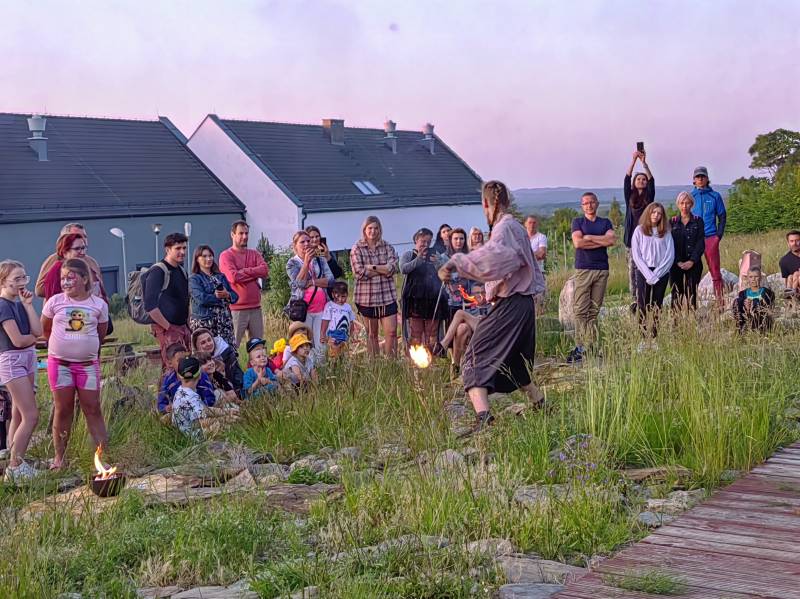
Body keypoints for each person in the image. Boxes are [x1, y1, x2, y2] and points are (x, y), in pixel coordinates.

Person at [438, 181, 546, 432]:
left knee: (474, 355)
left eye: (483, 206)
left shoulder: (504, 228)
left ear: (489, 204)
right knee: (514, 360)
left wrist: (455, 263)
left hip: (512, 304)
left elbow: (494, 259)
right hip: (522, 305)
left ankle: (484, 418)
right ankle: (540, 403)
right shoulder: (515, 227)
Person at [42, 258, 109, 470]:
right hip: (60, 364)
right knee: (63, 409)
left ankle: (101, 457)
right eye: (63, 278)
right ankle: (60, 459)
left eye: (70, 278)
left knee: (93, 408)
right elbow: (46, 328)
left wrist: (85, 347)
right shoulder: (55, 302)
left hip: (87, 366)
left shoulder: (99, 305)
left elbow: (101, 333)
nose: (65, 282)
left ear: (84, 279)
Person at [0, 261, 43, 482]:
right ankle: (15, 467)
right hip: (12, 360)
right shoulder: (3, 306)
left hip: (27, 358)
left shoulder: (18, 304)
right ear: (3, 281)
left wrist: (28, 305)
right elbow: (17, 340)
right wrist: (32, 340)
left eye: (24, 277)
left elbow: (38, 330)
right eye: (16, 279)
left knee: (18, 411)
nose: (22, 282)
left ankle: (15, 456)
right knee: (31, 415)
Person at [568, 192, 616, 363]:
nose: (589, 205)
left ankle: (592, 345)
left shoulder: (605, 222)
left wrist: (589, 237)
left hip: (601, 269)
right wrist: (600, 240)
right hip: (584, 269)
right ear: (582, 206)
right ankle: (580, 346)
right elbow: (578, 243)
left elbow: (611, 241)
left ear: (597, 203)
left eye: (592, 202)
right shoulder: (578, 222)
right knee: (581, 309)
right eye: (585, 203)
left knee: (594, 310)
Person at [350, 216, 400, 356]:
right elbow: (359, 272)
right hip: (367, 298)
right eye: (370, 228)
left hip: (387, 296)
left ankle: (391, 362)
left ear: (380, 230)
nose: (373, 231)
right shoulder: (357, 248)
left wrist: (372, 267)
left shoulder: (387, 247)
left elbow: (392, 269)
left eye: (376, 228)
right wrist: (382, 269)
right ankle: (375, 363)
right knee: (372, 334)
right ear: (364, 230)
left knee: (391, 332)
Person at [145, 232, 192, 370]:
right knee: (172, 367)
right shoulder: (158, 271)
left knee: (184, 367)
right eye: (178, 248)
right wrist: (169, 328)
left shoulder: (182, 271)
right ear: (167, 249)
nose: (182, 252)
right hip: (167, 328)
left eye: (184, 248)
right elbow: (150, 306)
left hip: (183, 327)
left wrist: (187, 325)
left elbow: (185, 300)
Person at [219, 220, 269, 347]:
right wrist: (254, 273)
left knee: (258, 347)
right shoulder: (226, 256)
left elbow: (264, 271)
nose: (244, 236)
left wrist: (244, 272)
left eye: (246, 233)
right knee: (232, 346)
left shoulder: (254, 254)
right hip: (236, 309)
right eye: (241, 233)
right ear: (232, 235)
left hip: (255, 307)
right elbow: (233, 277)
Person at [399, 228, 448, 351]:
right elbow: (403, 269)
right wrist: (419, 259)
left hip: (433, 297)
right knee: (416, 332)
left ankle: (432, 358)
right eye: (423, 241)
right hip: (415, 299)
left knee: (432, 332)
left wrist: (438, 263)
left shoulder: (434, 254)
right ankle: (415, 359)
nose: (426, 244)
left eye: (428, 242)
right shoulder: (408, 255)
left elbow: (444, 271)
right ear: (416, 240)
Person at [631, 203, 674, 339]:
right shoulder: (639, 230)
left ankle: (654, 336)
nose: (656, 215)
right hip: (643, 272)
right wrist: (648, 274)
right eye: (653, 212)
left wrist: (657, 274)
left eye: (659, 213)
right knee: (643, 305)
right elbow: (636, 255)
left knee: (657, 305)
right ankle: (643, 337)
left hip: (661, 272)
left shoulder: (666, 232)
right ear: (648, 213)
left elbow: (670, 255)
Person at [286, 230, 334, 352]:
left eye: (308, 241)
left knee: (321, 344)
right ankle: (308, 365)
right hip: (303, 309)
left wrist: (312, 282)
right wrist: (306, 262)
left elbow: (330, 280)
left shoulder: (320, 260)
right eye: (302, 242)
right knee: (306, 344)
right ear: (295, 246)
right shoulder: (292, 263)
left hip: (322, 308)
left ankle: (321, 364)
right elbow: (300, 284)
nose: (307, 244)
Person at [691, 167, 727, 310]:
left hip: (710, 237)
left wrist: (718, 235)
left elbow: (722, 216)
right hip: (694, 239)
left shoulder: (715, 196)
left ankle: (720, 302)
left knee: (715, 270)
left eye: (702, 176)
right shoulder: (690, 197)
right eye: (697, 177)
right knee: (692, 270)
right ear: (694, 180)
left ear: (707, 179)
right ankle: (691, 303)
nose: (700, 179)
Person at [171, 356, 233, 439]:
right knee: (228, 425)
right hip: (193, 437)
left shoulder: (179, 392)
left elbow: (203, 410)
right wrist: (226, 419)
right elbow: (201, 422)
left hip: (183, 433)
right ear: (200, 375)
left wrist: (226, 411)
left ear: (179, 376)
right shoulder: (192, 397)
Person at [35, 223, 103, 299]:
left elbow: (100, 288)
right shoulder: (55, 261)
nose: (82, 239)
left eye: (84, 236)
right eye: (76, 235)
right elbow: (39, 290)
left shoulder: (91, 262)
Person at [189, 245, 238, 347]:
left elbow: (235, 296)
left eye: (210, 256)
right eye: (204, 256)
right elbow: (202, 299)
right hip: (205, 322)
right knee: (207, 352)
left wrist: (227, 294)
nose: (208, 259)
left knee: (227, 351)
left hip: (224, 322)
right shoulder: (194, 279)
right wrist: (218, 297)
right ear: (197, 259)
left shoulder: (220, 276)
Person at [439, 282, 491, 373]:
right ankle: (456, 366)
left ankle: (444, 345)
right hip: (473, 331)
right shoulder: (469, 308)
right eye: (477, 293)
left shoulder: (491, 305)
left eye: (482, 292)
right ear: (472, 295)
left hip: (487, 329)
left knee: (460, 313)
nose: (480, 295)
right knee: (462, 328)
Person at [623, 151, 655, 299]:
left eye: (643, 179)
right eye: (638, 179)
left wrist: (644, 163)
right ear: (634, 182)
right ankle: (634, 300)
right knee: (632, 270)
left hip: (646, 239)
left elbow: (652, 180)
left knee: (645, 269)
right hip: (631, 240)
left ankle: (645, 298)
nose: (641, 181)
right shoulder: (629, 197)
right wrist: (633, 160)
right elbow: (626, 179)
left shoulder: (649, 197)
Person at [669, 192, 705, 310]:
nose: (685, 206)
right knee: (676, 294)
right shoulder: (672, 222)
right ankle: (676, 319)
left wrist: (692, 261)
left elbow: (700, 243)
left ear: (692, 204)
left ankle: (691, 318)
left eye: (687, 203)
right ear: (678, 205)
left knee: (691, 294)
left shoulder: (698, 221)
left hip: (694, 263)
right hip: (676, 264)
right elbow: (669, 244)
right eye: (682, 203)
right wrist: (678, 261)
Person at [156, 343, 216, 413]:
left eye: (185, 359)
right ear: (170, 363)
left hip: (201, 410)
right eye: (180, 360)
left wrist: (197, 406)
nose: (184, 363)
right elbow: (160, 403)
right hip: (178, 412)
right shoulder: (168, 379)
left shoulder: (199, 373)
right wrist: (166, 408)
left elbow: (210, 398)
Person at [190, 328, 244, 395]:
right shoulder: (194, 365)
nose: (208, 344)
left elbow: (238, 379)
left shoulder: (227, 354)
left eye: (209, 340)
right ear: (196, 348)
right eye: (203, 342)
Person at [733, 267, 775, 333]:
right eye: (751, 277)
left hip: (761, 321)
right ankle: (741, 329)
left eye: (756, 276)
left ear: (760, 278)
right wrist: (746, 305)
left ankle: (757, 330)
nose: (753, 279)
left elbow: (767, 305)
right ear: (747, 278)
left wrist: (753, 303)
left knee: (756, 302)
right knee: (737, 301)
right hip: (746, 317)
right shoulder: (743, 293)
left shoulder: (767, 292)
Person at [320, 281, 356, 358]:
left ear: (347, 295)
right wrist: (322, 334)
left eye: (343, 296)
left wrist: (352, 335)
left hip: (345, 336)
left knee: (344, 355)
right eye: (338, 296)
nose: (340, 299)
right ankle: (333, 365)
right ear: (333, 295)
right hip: (332, 336)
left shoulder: (348, 307)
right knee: (333, 356)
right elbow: (325, 321)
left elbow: (351, 322)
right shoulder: (329, 306)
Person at [779, 230, 800, 306]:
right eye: (792, 241)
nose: (794, 243)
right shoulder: (784, 261)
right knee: (790, 276)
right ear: (788, 243)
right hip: (797, 292)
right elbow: (786, 281)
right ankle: (791, 302)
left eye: (797, 240)